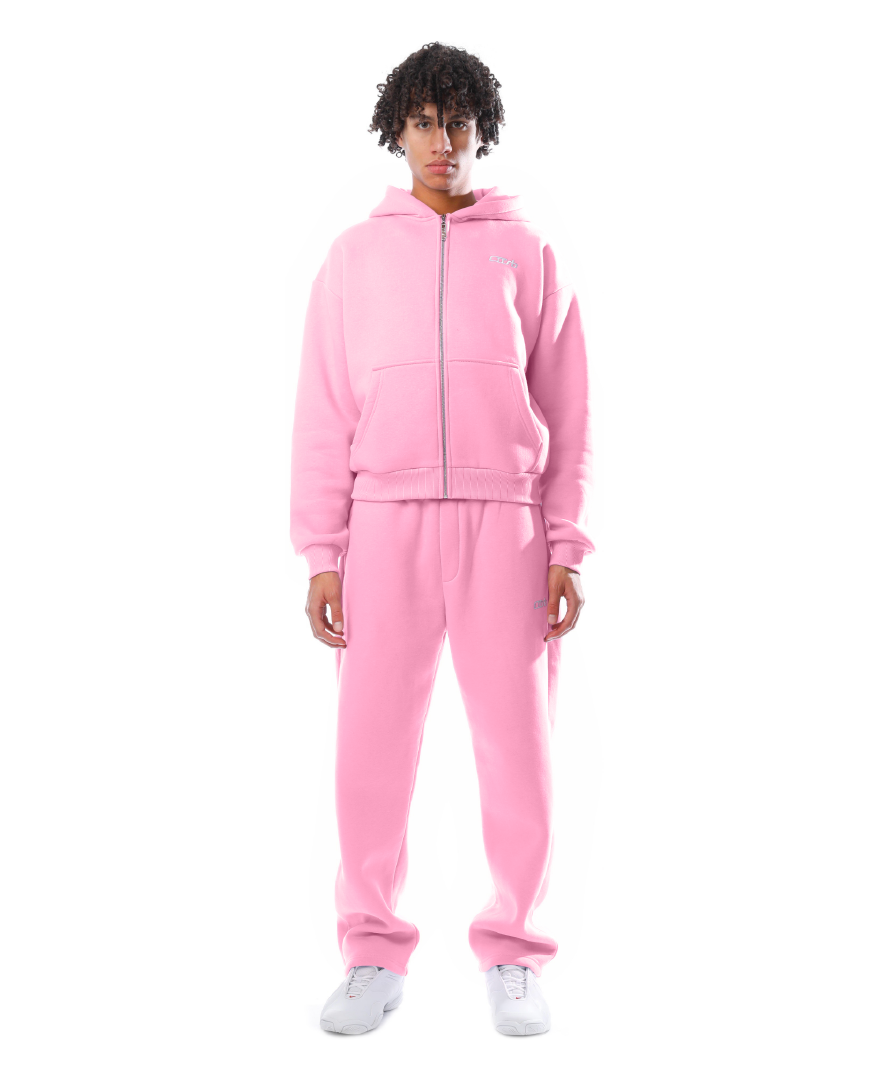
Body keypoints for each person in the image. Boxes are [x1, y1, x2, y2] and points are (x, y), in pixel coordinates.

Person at [289, 41, 595, 1037]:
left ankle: (515, 951)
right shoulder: (353, 257)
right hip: (383, 526)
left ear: (482, 130)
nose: (441, 141)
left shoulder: (529, 251)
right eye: (423, 121)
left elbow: (570, 410)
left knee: (520, 752)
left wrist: (567, 544)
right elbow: (323, 410)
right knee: (369, 752)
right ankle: (372, 953)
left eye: (458, 122)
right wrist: (323, 552)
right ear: (397, 130)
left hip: (507, 528)